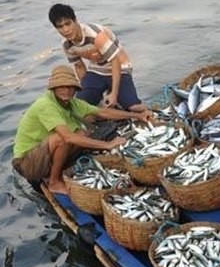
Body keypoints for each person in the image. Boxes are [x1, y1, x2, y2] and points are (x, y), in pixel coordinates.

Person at [12, 65, 151, 195]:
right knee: (62, 138)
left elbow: (102, 112)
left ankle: (58, 170)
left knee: (82, 133)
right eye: (61, 86)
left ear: (75, 89)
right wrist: (107, 145)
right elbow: (67, 137)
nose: (66, 90)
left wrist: (137, 115)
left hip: (44, 155)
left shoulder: (72, 103)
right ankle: (54, 182)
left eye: (69, 87)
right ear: (54, 88)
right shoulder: (45, 105)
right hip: (26, 162)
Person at [48, 3, 147, 113]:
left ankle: (150, 114)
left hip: (121, 67)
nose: (66, 30)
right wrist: (86, 91)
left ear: (75, 20)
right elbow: (79, 67)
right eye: (60, 26)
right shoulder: (66, 44)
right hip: (97, 70)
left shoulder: (95, 35)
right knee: (81, 106)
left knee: (133, 107)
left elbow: (115, 61)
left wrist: (114, 94)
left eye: (68, 24)